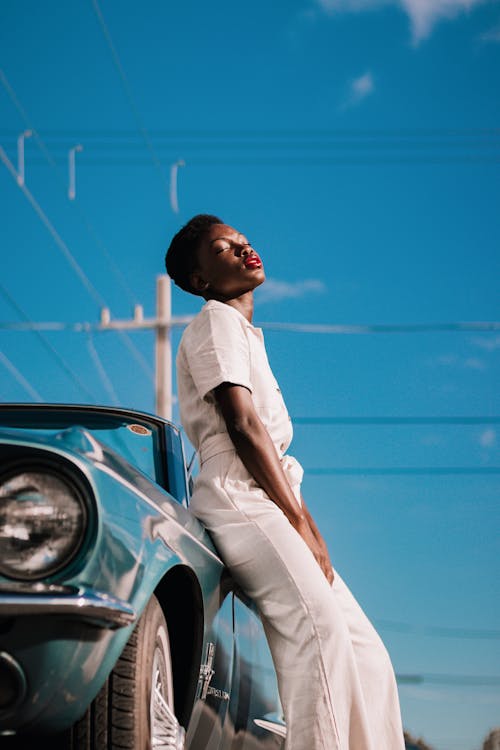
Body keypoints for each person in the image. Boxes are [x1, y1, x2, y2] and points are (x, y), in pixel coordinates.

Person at [165, 214, 405, 750]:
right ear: (201, 280)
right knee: (317, 634)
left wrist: (308, 524)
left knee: (366, 653)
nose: (243, 250)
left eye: (244, 242)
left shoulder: (245, 334)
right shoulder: (215, 321)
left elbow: (270, 448)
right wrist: (297, 521)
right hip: (238, 496)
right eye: (224, 249)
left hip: (273, 496)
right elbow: (244, 428)